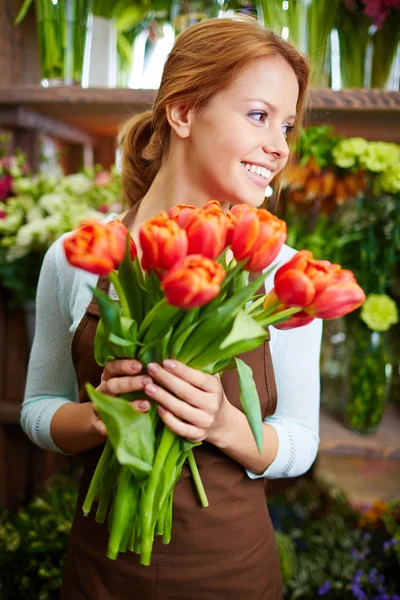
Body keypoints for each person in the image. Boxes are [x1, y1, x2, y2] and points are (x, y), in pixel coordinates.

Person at [21, 16, 322, 599]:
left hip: (232, 578)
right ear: (182, 113)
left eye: (287, 125)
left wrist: (225, 425)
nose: (280, 146)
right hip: (98, 576)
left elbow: (300, 441)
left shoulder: (284, 272)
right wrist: (98, 415)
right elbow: (39, 409)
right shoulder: (78, 257)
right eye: (259, 116)